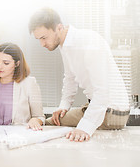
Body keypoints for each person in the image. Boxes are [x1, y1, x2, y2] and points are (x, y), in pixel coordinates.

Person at [28, 7, 130, 142]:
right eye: (38, 39)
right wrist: (63, 107)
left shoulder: (87, 41)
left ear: (59, 28)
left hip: (112, 112)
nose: (42, 44)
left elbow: (102, 91)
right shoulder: (66, 45)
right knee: (54, 120)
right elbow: (70, 79)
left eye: (44, 38)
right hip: (104, 108)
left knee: (47, 125)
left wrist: (85, 127)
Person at [0, 43, 45, 130]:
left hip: (19, 137)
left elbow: (39, 117)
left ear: (17, 64)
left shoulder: (29, 83)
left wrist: (35, 120)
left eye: (6, 63)